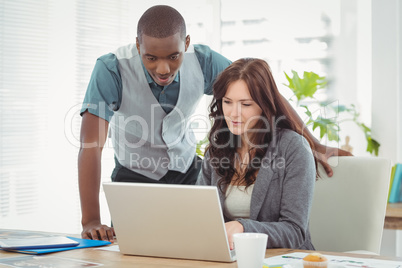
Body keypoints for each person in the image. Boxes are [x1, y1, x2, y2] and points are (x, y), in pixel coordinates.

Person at [78, 5, 350, 242]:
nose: (163, 69)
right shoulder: (111, 69)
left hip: (186, 171)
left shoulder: (204, 61)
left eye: (173, 56)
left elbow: (259, 89)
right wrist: (90, 220)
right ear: (138, 47)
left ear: (186, 43)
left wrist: (313, 144)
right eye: (151, 58)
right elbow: (91, 146)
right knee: (135, 250)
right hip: (134, 177)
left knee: (191, 242)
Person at [197, 58, 317, 250]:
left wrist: (243, 229)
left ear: (264, 105)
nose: (234, 114)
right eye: (227, 102)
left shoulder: (293, 148)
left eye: (245, 105)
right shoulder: (216, 150)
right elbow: (200, 217)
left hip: (281, 260)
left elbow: (295, 231)